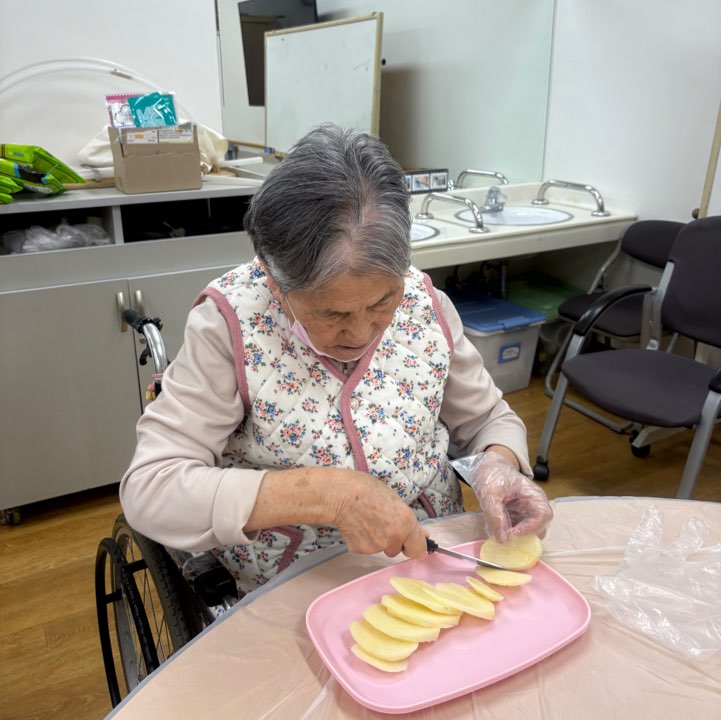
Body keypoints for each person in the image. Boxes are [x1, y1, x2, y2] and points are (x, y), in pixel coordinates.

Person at [120, 123, 552, 596]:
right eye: (332, 313)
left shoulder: (425, 304)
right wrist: (330, 496)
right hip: (292, 584)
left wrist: (497, 465)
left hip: (430, 562)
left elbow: (488, 418)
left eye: (383, 301)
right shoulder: (230, 325)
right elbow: (152, 488)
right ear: (273, 280)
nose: (362, 333)